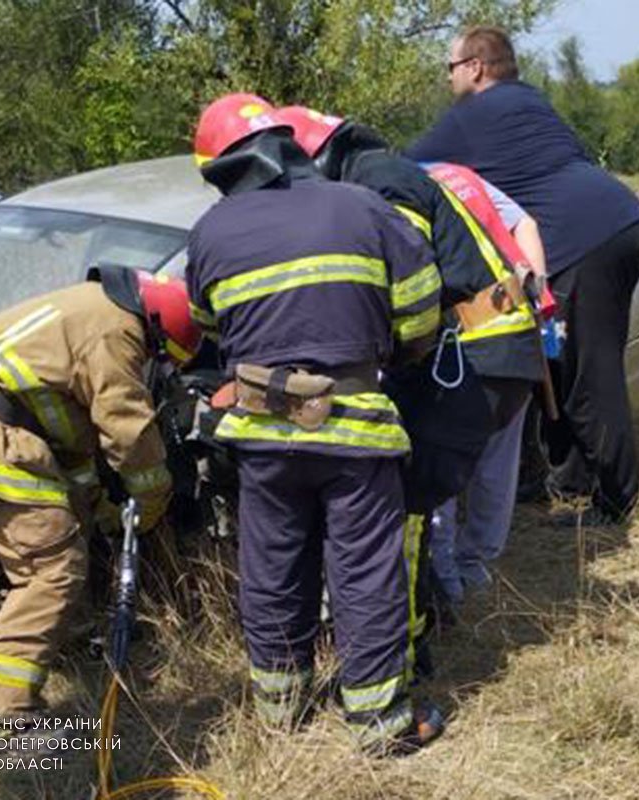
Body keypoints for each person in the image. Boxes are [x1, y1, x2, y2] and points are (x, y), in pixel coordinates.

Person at [187, 94, 444, 752]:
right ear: (286, 145)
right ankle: (379, 724)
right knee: (364, 572)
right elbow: (421, 314)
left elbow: (212, 331)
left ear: (220, 170)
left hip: (262, 437)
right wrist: (381, 350)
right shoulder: (363, 207)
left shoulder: (210, 232)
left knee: (273, 568)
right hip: (355, 429)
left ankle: (281, 711)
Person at [273, 105, 544, 656]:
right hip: (483, 347)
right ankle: (424, 618)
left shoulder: (382, 181)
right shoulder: (382, 172)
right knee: (410, 490)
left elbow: (404, 269)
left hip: (473, 352)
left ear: (319, 158)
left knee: (404, 497)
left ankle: (406, 641)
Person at [407, 25, 639, 523]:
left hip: (583, 242)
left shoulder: (471, 116)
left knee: (589, 377)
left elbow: (399, 169)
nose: (448, 79)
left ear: (475, 67)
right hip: (623, 222)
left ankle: (618, 501)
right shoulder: (530, 101)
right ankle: (569, 481)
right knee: (558, 364)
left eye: (450, 68)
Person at [0, 268, 187, 725]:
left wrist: (99, 507)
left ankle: (67, 639)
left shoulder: (90, 306)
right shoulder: (117, 331)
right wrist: (152, 503)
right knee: (51, 567)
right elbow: (130, 433)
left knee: (63, 530)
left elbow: (66, 434)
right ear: (158, 333)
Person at [421, 161, 548, 607]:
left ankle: (446, 577)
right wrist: (537, 291)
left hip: (461, 344)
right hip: (514, 331)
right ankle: (475, 569)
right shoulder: (460, 176)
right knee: (496, 461)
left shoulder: (403, 190)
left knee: (442, 461)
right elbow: (525, 224)